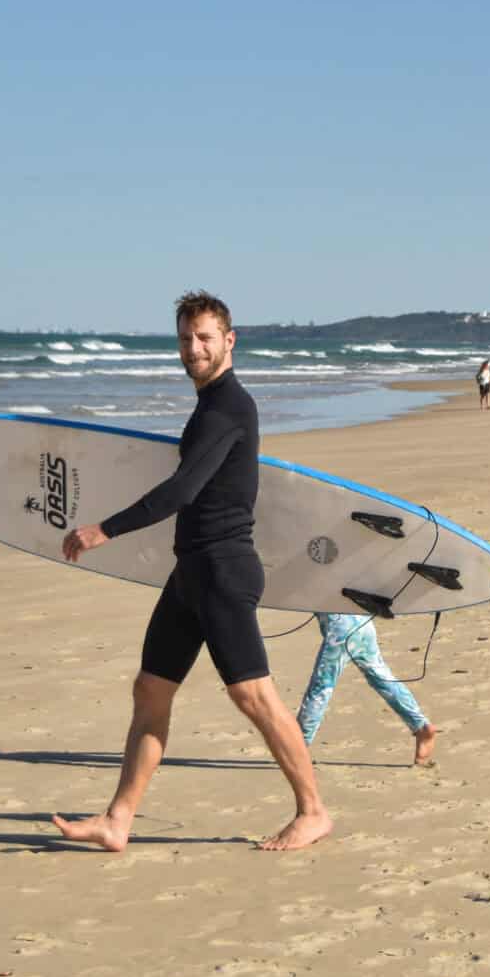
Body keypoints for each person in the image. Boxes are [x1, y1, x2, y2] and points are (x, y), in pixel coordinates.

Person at [51, 292, 332, 854]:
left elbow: (182, 490)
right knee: (151, 688)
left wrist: (103, 529)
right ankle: (118, 819)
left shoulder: (228, 406)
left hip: (224, 570)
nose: (193, 348)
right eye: (185, 338)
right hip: (192, 572)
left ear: (230, 340)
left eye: (205, 337)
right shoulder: (209, 406)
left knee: (253, 696)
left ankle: (314, 811)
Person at [297, 612, 437, 765]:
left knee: (321, 686)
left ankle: (297, 745)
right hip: (363, 623)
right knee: (382, 678)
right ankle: (421, 726)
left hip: (340, 629)